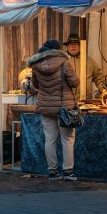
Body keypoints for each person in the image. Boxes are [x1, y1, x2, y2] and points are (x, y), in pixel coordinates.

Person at [28, 39, 80, 181]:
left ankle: (52, 172)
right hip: (64, 107)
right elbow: (75, 82)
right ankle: (68, 171)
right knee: (67, 139)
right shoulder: (64, 62)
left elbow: (35, 85)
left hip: (46, 107)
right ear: (57, 50)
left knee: (49, 139)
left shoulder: (36, 65)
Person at [63, 33, 106, 100]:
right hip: (67, 102)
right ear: (67, 47)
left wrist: (103, 90)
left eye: (76, 44)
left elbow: (99, 77)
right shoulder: (62, 61)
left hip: (86, 101)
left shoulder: (89, 61)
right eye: (71, 44)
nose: (73, 46)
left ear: (80, 46)